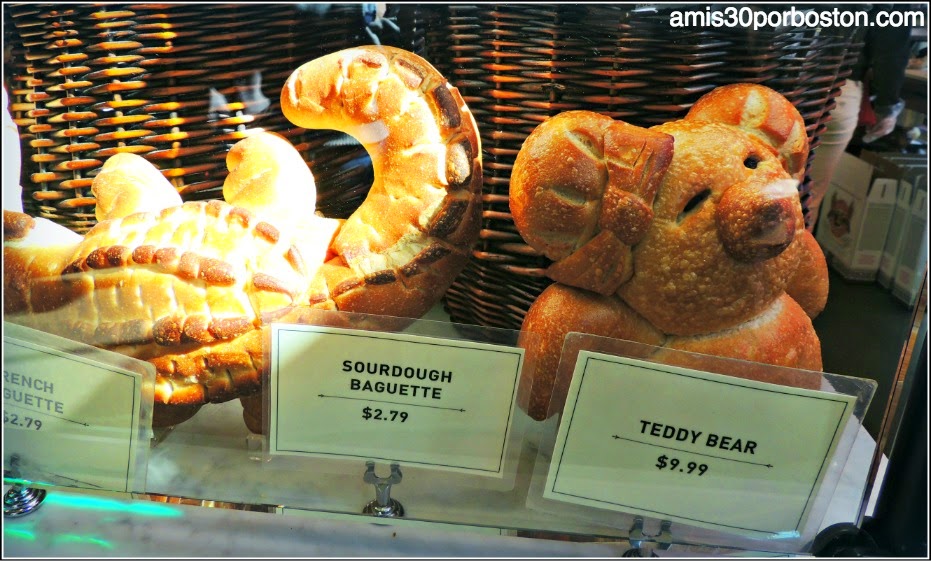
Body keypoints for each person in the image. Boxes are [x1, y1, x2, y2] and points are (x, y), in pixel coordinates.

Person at [805, 4, 914, 233]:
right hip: (833, 87)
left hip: (769, 77)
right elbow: (891, 44)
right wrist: (887, 106)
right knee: (804, 201)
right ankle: (788, 266)